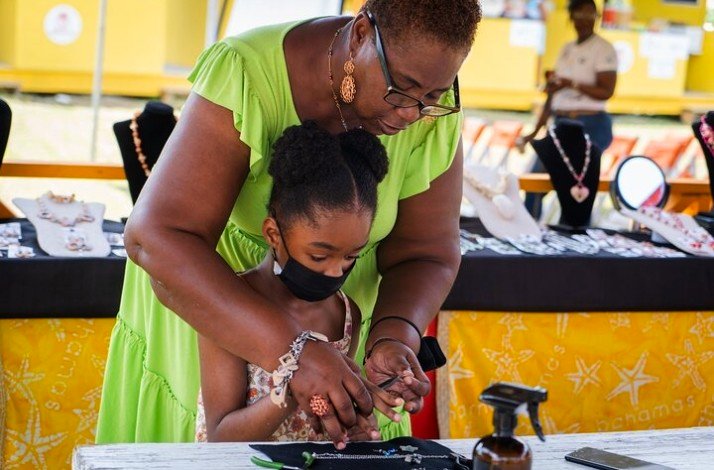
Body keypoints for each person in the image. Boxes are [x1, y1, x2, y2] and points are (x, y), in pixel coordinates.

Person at [96, 0, 481, 448]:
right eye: (403, 89)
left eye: (433, 98)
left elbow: (426, 252)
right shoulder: (247, 73)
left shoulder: (424, 102)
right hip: (214, 326)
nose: (411, 114)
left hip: (341, 357)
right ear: (360, 33)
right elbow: (155, 237)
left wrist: (393, 335)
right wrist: (293, 353)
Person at [195, 121, 404, 442]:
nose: (336, 272)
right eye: (320, 256)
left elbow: (330, 415)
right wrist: (294, 382)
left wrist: (356, 425)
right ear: (273, 234)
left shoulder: (346, 314)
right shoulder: (231, 306)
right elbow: (222, 435)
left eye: (352, 256)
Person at [520, 0, 617, 217]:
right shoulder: (567, 49)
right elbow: (553, 93)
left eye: (589, 14)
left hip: (590, 122)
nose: (584, 19)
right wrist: (535, 132)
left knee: (576, 185)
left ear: (596, 17)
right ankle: (528, 233)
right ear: (571, 17)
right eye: (579, 14)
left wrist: (571, 84)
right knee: (535, 178)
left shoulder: (603, 49)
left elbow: (607, 91)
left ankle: (573, 239)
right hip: (561, 121)